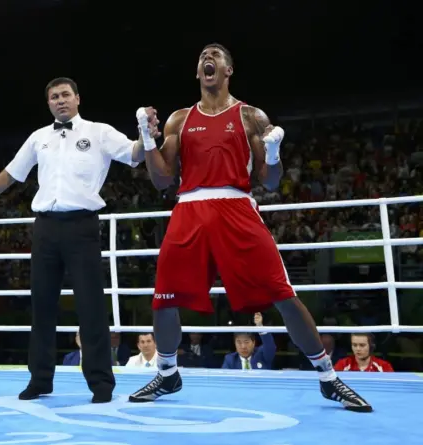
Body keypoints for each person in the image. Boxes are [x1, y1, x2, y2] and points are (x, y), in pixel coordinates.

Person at [128, 44, 373, 412]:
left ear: (228, 69)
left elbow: (270, 182)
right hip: (189, 209)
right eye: (202, 56)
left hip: (236, 208)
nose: (207, 57)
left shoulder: (250, 117)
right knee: (164, 297)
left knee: (282, 294)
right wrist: (148, 140)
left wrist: (273, 155)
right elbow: (162, 180)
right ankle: (167, 373)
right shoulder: (179, 119)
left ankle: (327, 377)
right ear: (199, 72)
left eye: (216, 54)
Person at [0, 77, 158, 403]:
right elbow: (12, 172)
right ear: (49, 103)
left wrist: (145, 132)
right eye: (54, 97)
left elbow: (134, 154)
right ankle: (39, 380)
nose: (60, 100)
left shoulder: (98, 132)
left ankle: (101, 384)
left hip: (82, 226)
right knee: (42, 305)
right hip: (46, 228)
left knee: (91, 305)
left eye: (65, 94)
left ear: (77, 98)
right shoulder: (39, 137)